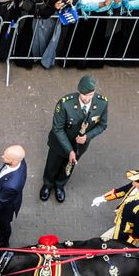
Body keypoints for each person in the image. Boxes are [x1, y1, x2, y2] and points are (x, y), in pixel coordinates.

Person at [40, 76, 108, 204]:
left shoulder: (102, 103)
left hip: (80, 145)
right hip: (59, 143)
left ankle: (60, 185)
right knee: (52, 164)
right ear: (79, 91)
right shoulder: (65, 103)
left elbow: (102, 125)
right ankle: (48, 184)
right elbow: (58, 129)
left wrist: (87, 137)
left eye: (90, 95)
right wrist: (69, 150)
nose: (87, 99)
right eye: (84, 95)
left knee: (69, 166)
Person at [90, 164, 139, 246]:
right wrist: (104, 198)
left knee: (107, 248)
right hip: (120, 224)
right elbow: (123, 191)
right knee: (101, 243)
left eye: (136, 181)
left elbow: (138, 229)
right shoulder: (137, 184)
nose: (133, 182)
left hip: (124, 234)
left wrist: (128, 245)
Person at [26, 0, 73, 69]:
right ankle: (35, 59)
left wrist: (68, 1)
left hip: (52, 20)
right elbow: (43, 13)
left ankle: (46, 61)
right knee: (37, 42)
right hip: (39, 18)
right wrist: (54, 7)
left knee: (51, 41)